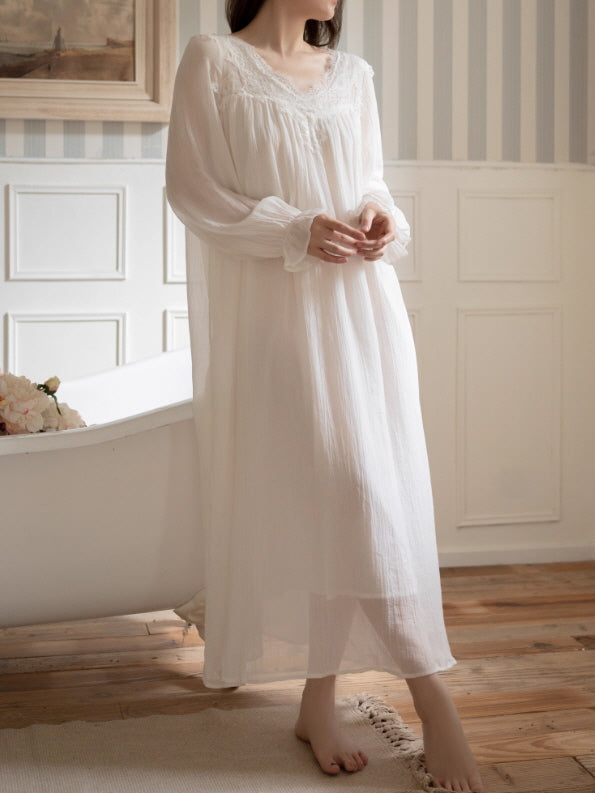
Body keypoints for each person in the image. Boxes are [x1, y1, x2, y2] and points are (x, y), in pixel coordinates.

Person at [166, 2, 486, 791]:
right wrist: (290, 227)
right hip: (278, 318)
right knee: (354, 494)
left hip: (361, 314)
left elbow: (367, 179)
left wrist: (381, 214)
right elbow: (192, 188)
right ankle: (432, 698)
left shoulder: (353, 76)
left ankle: (317, 700)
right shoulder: (213, 60)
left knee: (349, 499)